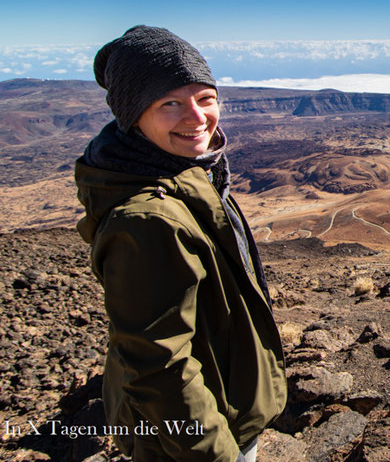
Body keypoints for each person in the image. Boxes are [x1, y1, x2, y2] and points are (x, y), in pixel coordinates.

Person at [74, 25, 287, 461]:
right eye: (169, 103)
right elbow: (159, 366)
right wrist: (216, 453)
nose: (196, 118)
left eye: (205, 98)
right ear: (133, 114)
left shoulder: (184, 173)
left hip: (218, 407)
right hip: (194, 439)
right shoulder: (148, 220)